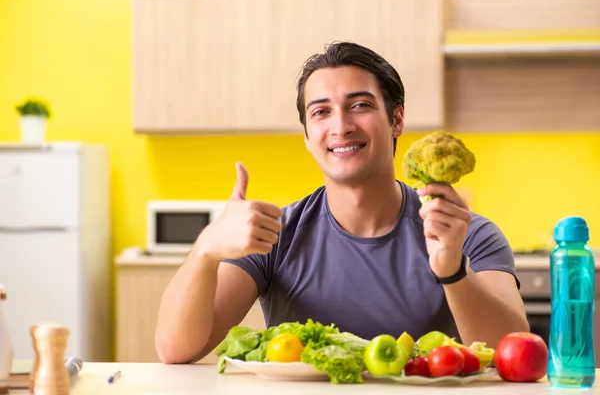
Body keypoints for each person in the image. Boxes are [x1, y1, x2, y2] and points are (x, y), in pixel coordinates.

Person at [155, 41, 530, 364]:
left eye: (360, 105)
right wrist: (206, 248)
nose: (341, 126)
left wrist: (452, 270)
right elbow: (176, 350)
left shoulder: (470, 234)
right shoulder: (275, 235)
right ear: (306, 134)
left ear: (396, 119)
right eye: (321, 112)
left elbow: (511, 354)